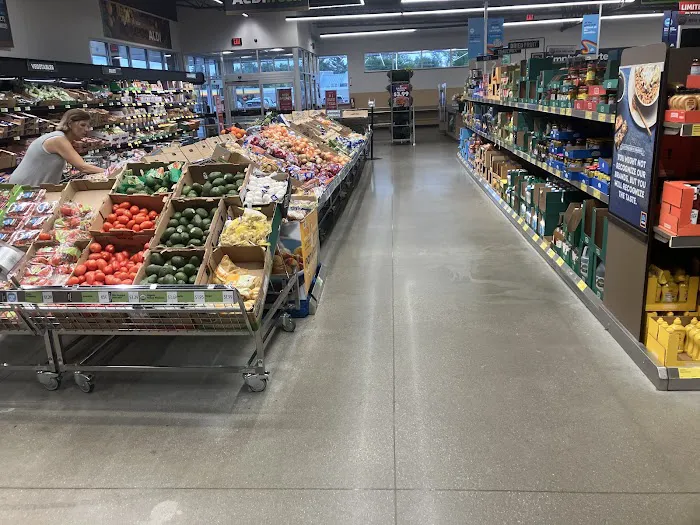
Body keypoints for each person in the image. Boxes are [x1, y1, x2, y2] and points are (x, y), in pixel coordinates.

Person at [9, 109, 104, 186]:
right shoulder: (58, 140)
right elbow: (83, 167)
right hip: (24, 187)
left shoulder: (62, 138)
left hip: (32, 186)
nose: (86, 129)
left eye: (88, 126)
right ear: (70, 123)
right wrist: (108, 173)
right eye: (82, 125)